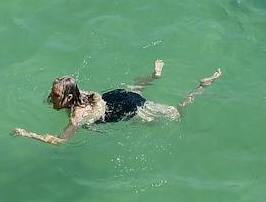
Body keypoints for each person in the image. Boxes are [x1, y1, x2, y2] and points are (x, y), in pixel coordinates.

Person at [13, 60, 221, 144]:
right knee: (133, 90)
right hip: (114, 96)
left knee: (177, 114)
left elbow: (61, 141)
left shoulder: (77, 114)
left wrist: (28, 134)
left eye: (55, 96)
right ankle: (154, 76)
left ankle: (200, 87)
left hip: (128, 108)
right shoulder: (80, 93)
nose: (51, 98)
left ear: (68, 98)